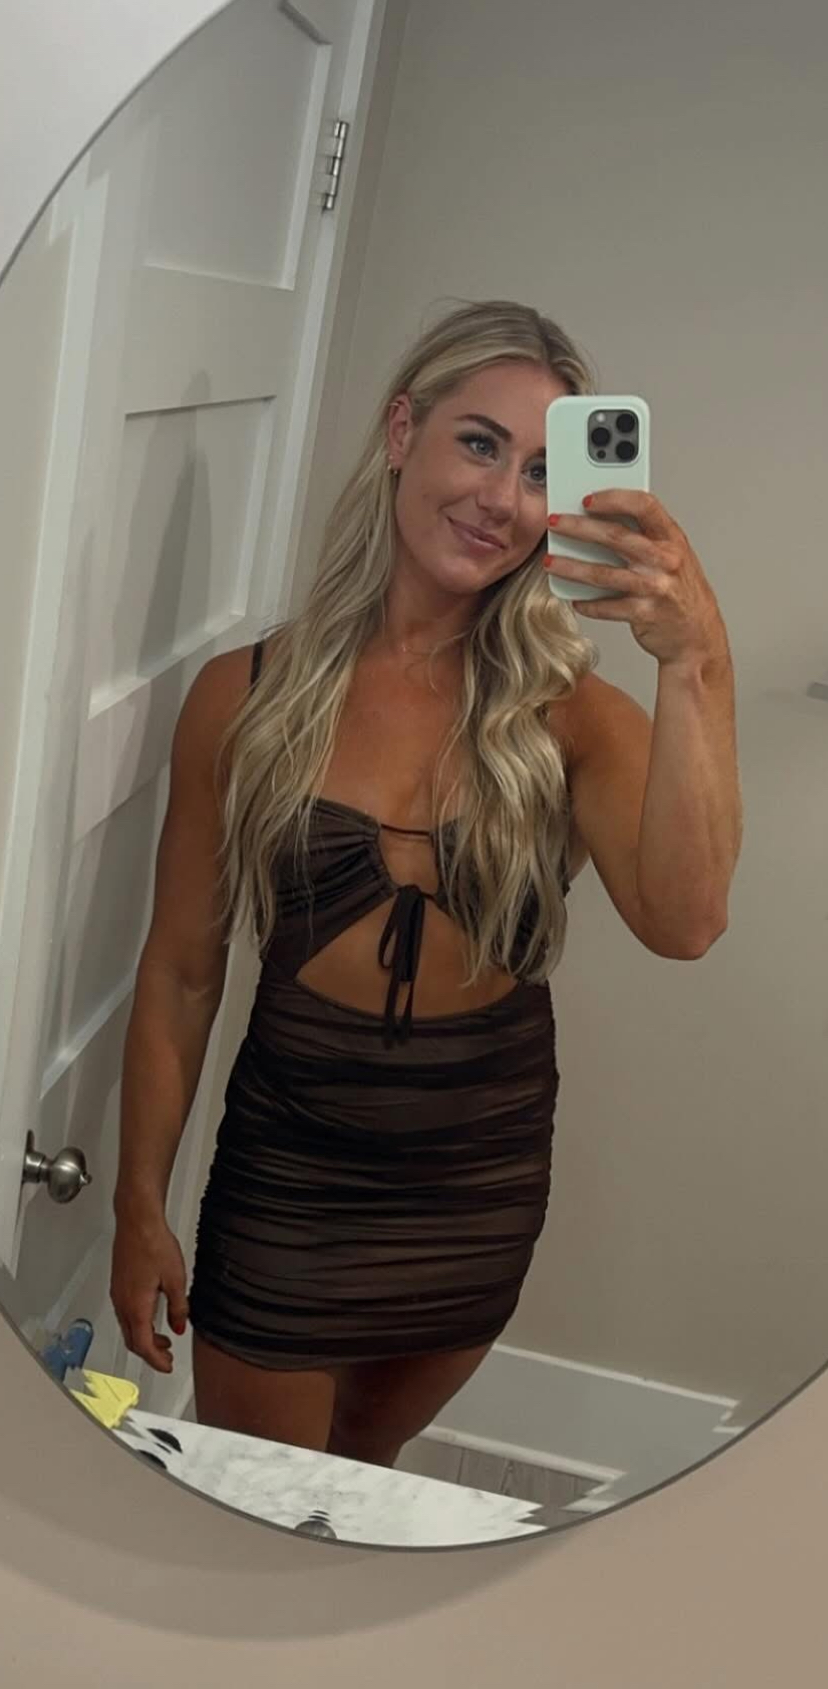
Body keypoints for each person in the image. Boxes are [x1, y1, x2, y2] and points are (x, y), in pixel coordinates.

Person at [110, 300, 740, 1468]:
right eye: (480, 443)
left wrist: (697, 658)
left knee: (363, 1479)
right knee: (260, 1499)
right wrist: (137, 1202)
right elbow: (184, 973)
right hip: (291, 1175)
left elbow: (688, 921)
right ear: (404, 432)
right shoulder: (243, 695)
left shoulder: (572, 717)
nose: (502, 497)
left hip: (476, 1184)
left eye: (542, 471)